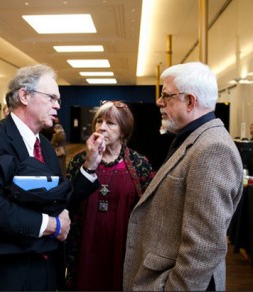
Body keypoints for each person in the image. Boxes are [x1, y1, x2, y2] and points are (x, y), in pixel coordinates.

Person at [123, 62, 244, 291]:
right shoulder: (193, 139)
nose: (159, 102)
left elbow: (204, 247)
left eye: (166, 95)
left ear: (190, 101)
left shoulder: (212, 149)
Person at [0, 64, 72, 291]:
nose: (58, 105)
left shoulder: (46, 147)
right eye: (52, 98)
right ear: (25, 95)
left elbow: (56, 197)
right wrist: (52, 225)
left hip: (43, 272)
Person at [65, 100, 154, 291]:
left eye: (110, 123)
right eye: (99, 122)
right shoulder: (80, 161)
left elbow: (149, 212)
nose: (102, 127)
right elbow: (68, 202)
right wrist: (89, 164)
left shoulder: (139, 164)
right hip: (84, 247)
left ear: (123, 130)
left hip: (123, 248)